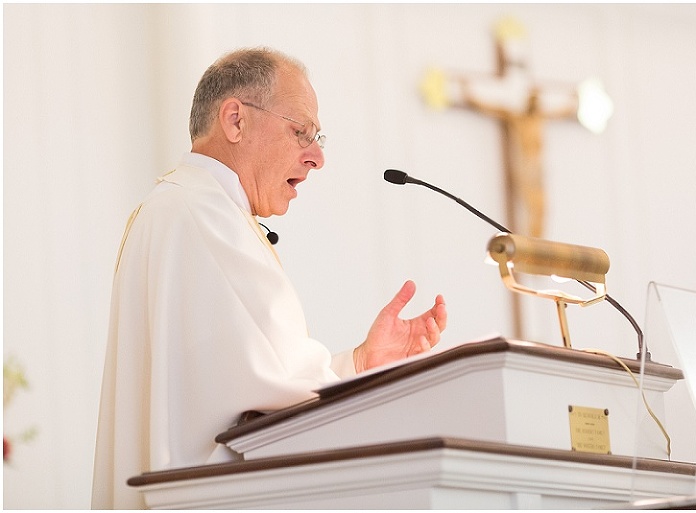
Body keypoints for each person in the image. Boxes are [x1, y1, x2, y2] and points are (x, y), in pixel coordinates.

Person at [91, 47, 448, 509]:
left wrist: (361, 362)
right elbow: (274, 402)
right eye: (301, 133)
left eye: (318, 138)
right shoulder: (202, 215)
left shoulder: (183, 207)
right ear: (235, 121)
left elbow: (252, 385)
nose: (317, 157)